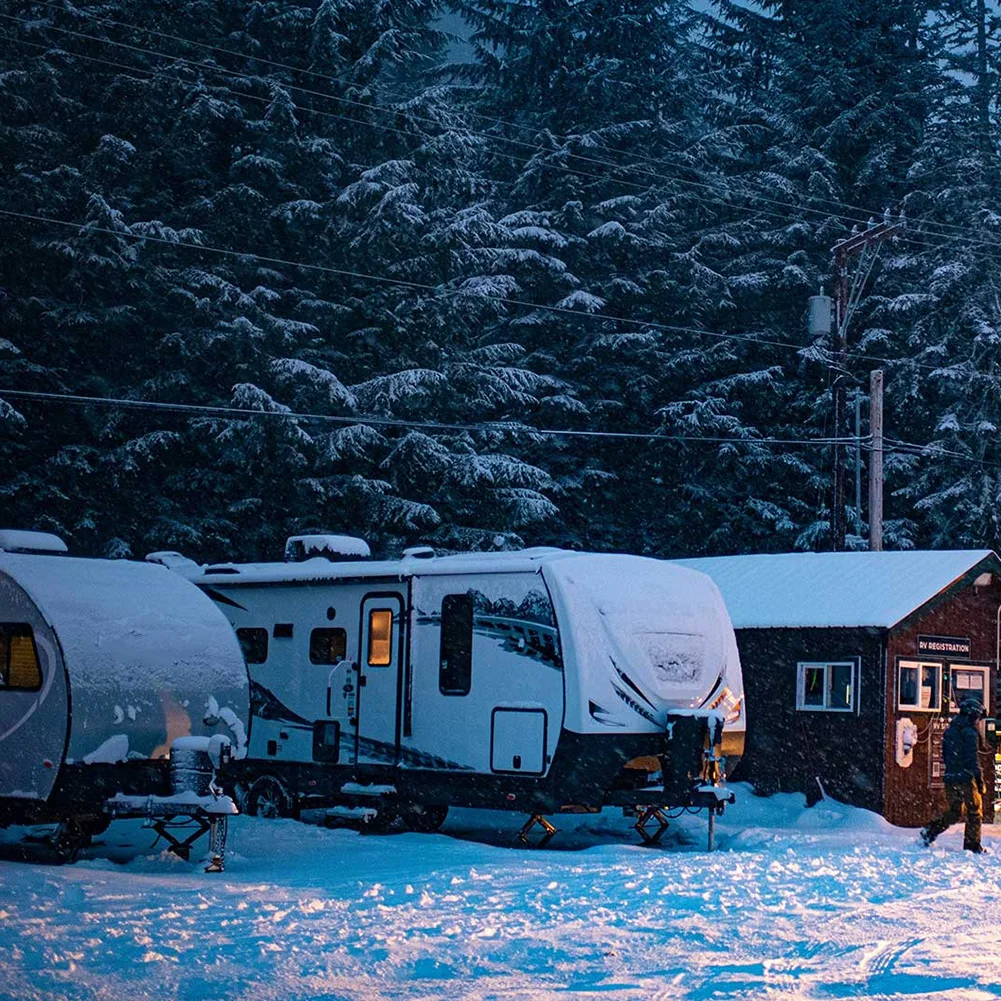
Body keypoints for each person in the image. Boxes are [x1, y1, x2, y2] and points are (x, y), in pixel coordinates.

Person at [921, 696, 989, 853]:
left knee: (954, 812)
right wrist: (978, 779)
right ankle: (972, 846)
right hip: (966, 777)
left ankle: (930, 831)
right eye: (977, 717)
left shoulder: (950, 730)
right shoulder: (970, 733)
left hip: (951, 777)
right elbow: (973, 759)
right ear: (972, 715)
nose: (978, 721)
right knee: (974, 812)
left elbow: (945, 754)